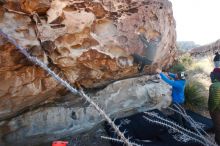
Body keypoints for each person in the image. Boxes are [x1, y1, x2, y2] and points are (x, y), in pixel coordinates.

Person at [209, 52, 220, 145]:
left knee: (218, 125)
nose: (211, 76)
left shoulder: (214, 86)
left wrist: (211, 110)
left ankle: (217, 140)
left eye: (212, 75)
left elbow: (214, 101)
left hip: (217, 110)